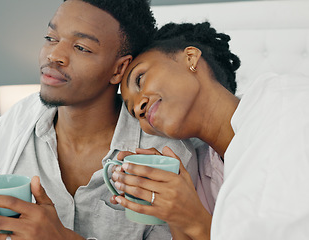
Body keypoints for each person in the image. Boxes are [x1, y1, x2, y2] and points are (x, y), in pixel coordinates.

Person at [0, 1, 201, 240]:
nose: (54, 55)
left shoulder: (166, 157)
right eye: (51, 38)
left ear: (119, 69)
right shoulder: (22, 120)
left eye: (80, 47)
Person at [115, 21, 309, 240]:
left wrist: (193, 220)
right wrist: (174, 212)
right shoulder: (198, 180)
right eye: (133, 112)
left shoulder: (286, 101)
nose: (139, 108)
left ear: (190, 58)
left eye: (140, 79)